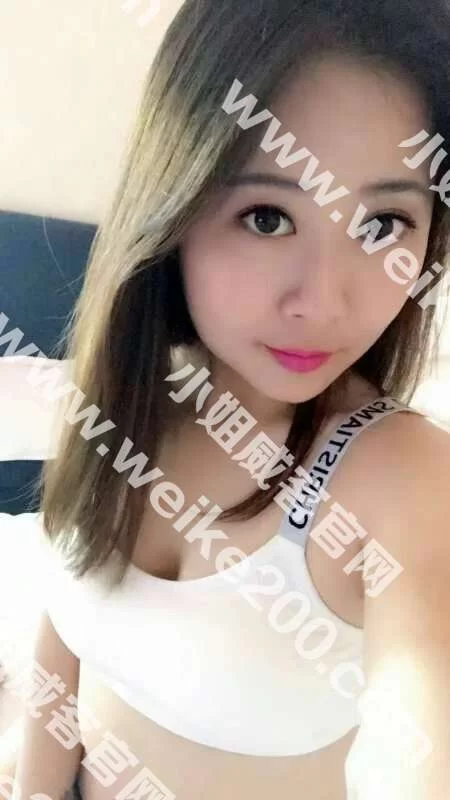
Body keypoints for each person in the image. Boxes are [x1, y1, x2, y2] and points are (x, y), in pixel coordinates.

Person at [1, 0, 450, 798]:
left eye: (384, 224)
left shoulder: (403, 477)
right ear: (173, 208)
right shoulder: (127, 399)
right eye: (267, 217)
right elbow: (62, 627)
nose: (323, 302)